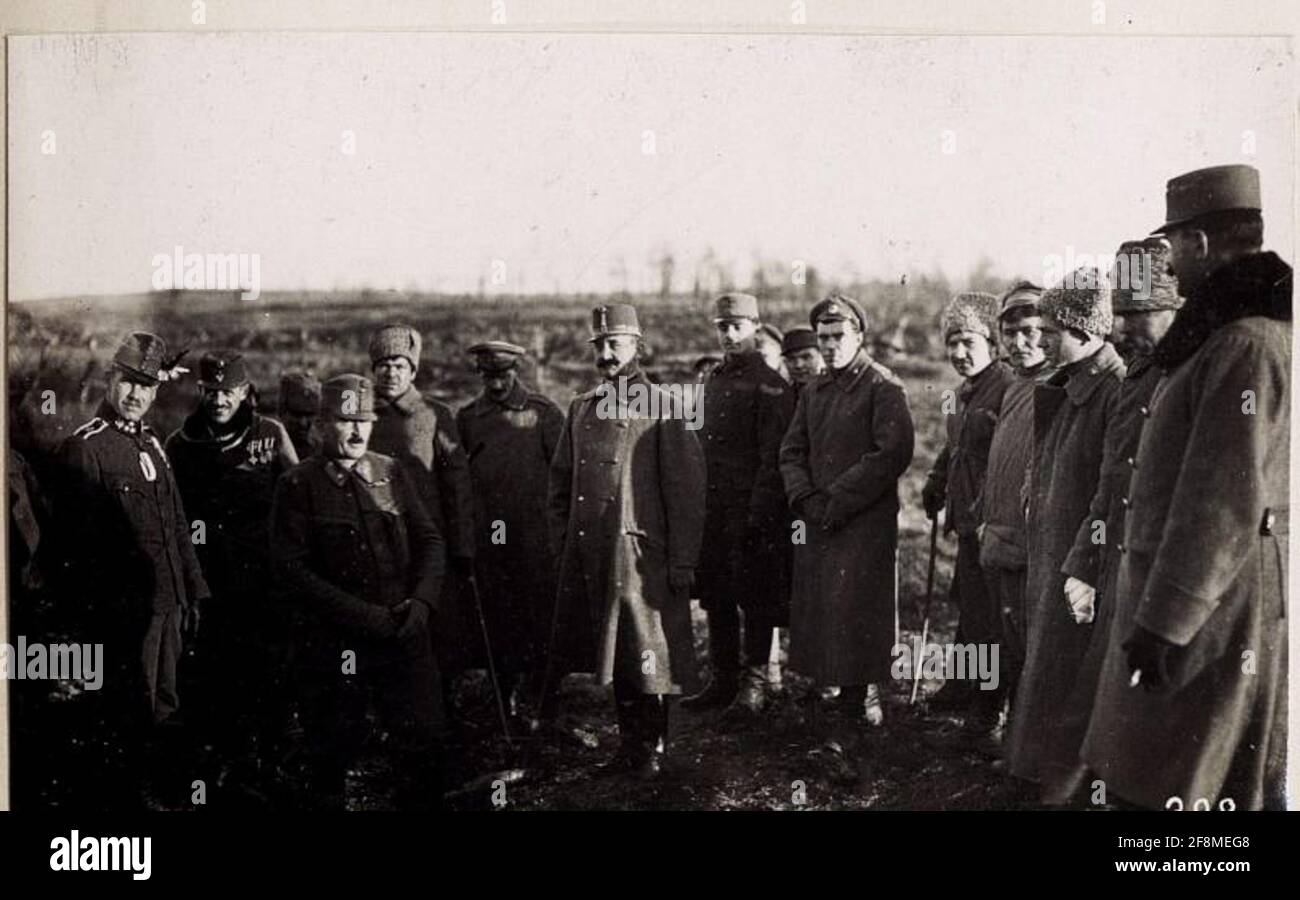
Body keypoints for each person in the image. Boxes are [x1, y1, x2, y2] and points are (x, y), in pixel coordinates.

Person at [1083, 164, 1290, 810]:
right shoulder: (1228, 339)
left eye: (1172, 246)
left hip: (1204, 619)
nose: (1167, 264)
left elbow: (1221, 504)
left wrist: (1164, 626)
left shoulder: (1245, 346)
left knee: (1186, 789)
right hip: (1203, 609)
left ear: (1200, 243)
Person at [1043, 239, 1181, 803]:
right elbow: (1110, 482)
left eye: (1133, 316)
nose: (1119, 330)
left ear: (1174, 310)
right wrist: (1084, 564)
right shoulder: (1138, 378)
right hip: (1119, 563)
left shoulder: (1192, 376)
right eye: (1116, 315)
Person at [270, 373, 446, 810]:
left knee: (425, 741)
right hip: (337, 644)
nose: (356, 431)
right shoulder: (298, 485)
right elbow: (291, 571)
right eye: (345, 420)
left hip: (403, 631)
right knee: (332, 749)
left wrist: (422, 602)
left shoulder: (390, 471)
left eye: (363, 421)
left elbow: (430, 541)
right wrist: (364, 617)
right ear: (321, 425)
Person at [546, 304, 706, 779]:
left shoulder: (663, 406)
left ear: (638, 345)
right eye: (600, 344)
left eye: (616, 343)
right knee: (613, 653)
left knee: (648, 655)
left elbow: (687, 492)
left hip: (641, 556)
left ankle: (652, 750)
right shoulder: (582, 407)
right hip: (594, 556)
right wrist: (566, 544)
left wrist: (682, 560)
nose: (607, 353)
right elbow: (559, 484)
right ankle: (628, 746)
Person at [55, 332, 210, 809]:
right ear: (110, 381)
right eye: (128, 383)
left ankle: (161, 793)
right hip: (126, 612)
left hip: (169, 606)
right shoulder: (86, 449)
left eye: (147, 386)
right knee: (130, 708)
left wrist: (193, 592)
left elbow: (178, 525)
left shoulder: (155, 447)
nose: (137, 395)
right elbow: (75, 548)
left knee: (167, 703)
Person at [1003, 268, 1125, 802]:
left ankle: (1058, 784)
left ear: (1082, 330)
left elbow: (1109, 488)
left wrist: (1083, 565)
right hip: (1050, 546)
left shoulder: (1112, 390)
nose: (1039, 340)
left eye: (1050, 331)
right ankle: (1031, 770)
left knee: (1067, 668)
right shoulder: (1067, 385)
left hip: (1077, 558)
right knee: (1045, 658)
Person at [165, 350, 299, 802]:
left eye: (228, 391)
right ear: (200, 391)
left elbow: (297, 500)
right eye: (211, 391)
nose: (219, 400)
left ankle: (263, 766)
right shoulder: (181, 445)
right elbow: (175, 518)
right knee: (212, 673)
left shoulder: (269, 434)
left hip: (263, 580)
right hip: (209, 581)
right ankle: (215, 768)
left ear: (244, 392)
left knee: (266, 672)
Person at [779, 293, 915, 727]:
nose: (831, 346)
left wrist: (836, 500)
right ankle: (833, 694)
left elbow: (891, 452)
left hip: (862, 524)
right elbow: (791, 450)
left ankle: (857, 707)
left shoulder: (883, 387)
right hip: (818, 520)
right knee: (822, 607)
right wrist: (805, 498)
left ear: (859, 336)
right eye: (824, 338)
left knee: (858, 610)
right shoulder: (814, 390)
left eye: (839, 336)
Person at [683, 293, 795, 714]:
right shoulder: (715, 380)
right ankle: (722, 679)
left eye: (738, 326)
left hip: (753, 510)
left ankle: (755, 682)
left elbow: (774, 455)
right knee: (717, 592)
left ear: (754, 326)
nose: (729, 335)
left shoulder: (770, 385)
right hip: (713, 509)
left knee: (756, 594)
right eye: (722, 327)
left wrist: (759, 512)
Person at [455, 340, 565, 718]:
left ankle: (545, 697)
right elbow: (460, 477)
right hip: (493, 535)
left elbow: (565, 474)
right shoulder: (469, 417)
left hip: (535, 535)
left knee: (541, 614)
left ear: (515, 371)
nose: (496, 384)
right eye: (488, 376)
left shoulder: (543, 414)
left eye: (502, 375)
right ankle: (504, 694)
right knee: (498, 613)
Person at [921, 292, 1014, 736]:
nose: (959, 353)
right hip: (966, 520)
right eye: (952, 342)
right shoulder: (959, 393)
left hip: (994, 521)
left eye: (969, 342)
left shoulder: (1009, 387)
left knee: (993, 618)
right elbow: (954, 447)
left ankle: (989, 707)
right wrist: (937, 481)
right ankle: (962, 684)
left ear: (993, 343)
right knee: (970, 608)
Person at [366, 324, 476, 686]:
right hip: (378, 537)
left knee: (438, 623)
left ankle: (443, 700)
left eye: (399, 365)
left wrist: (462, 545)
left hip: (430, 538)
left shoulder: (434, 414)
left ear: (413, 370)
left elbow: (456, 483)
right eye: (383, 365)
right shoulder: (363, 416)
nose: (391, 372)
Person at [977, 282, 1053, 727]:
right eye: (1009, 332)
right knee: (1005, 638)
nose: (1020, 342)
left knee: (1032, 644)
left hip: (1032, 542)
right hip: (1000, 535)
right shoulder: (1014, 385)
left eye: (1031, 331)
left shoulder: (1055, 386)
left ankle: (1028, 744)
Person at [277, 371, 321, 459]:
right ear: (282, 412)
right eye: (296, 414)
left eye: (309, 415)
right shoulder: (267, 449)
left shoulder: (321, 452)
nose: (303, 422)